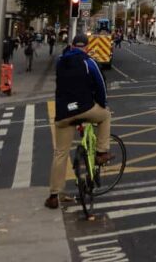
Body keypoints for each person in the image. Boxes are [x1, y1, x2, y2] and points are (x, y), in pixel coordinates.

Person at [46, 34, 111, 209]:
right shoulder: (89, 62)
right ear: (87, 48)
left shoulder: (60, 62)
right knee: (105, 116)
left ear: (72, 46)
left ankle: (54, 195)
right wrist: (102, 103)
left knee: (60, 153)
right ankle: (101, 152)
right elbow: (101, 85)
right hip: (85, 108)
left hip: (63, 114)